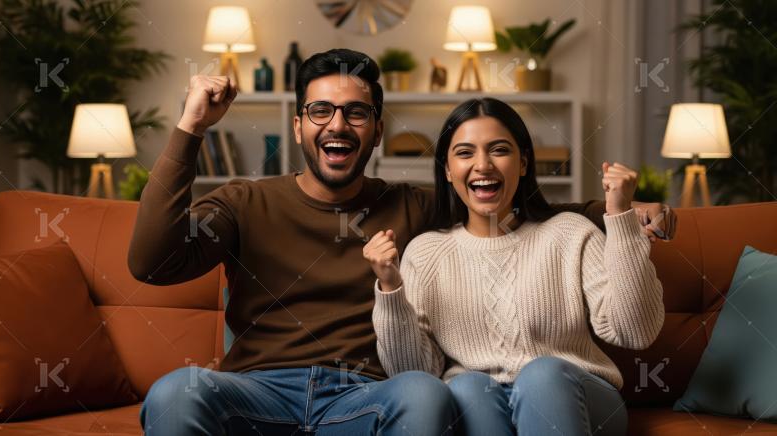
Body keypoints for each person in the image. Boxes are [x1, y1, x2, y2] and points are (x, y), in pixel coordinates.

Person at [129, 48, 675, 435]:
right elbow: (151, 262)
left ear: (376, 131)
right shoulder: (244, 201)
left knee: (425, 391)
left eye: (356, 112)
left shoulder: (415, 206)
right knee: (176, 392)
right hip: (259, 390)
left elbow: (511, 210)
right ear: (298, 126)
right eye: (321, 111)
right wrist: (191, 127)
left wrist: (618, 214)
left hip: (365, 395)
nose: (337, 125)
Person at [365, 98, 666, 436]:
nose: (483, 165)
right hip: (481, 406)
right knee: (466, 387)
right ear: (448, 170)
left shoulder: (570, 233)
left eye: (499, 150)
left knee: (541, 376)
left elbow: (635, 331)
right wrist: (390, 289)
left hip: (578, 397)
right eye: (465, 153)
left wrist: (621, 216)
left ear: (522, 163)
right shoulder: (425, 253)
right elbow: (414, 372)